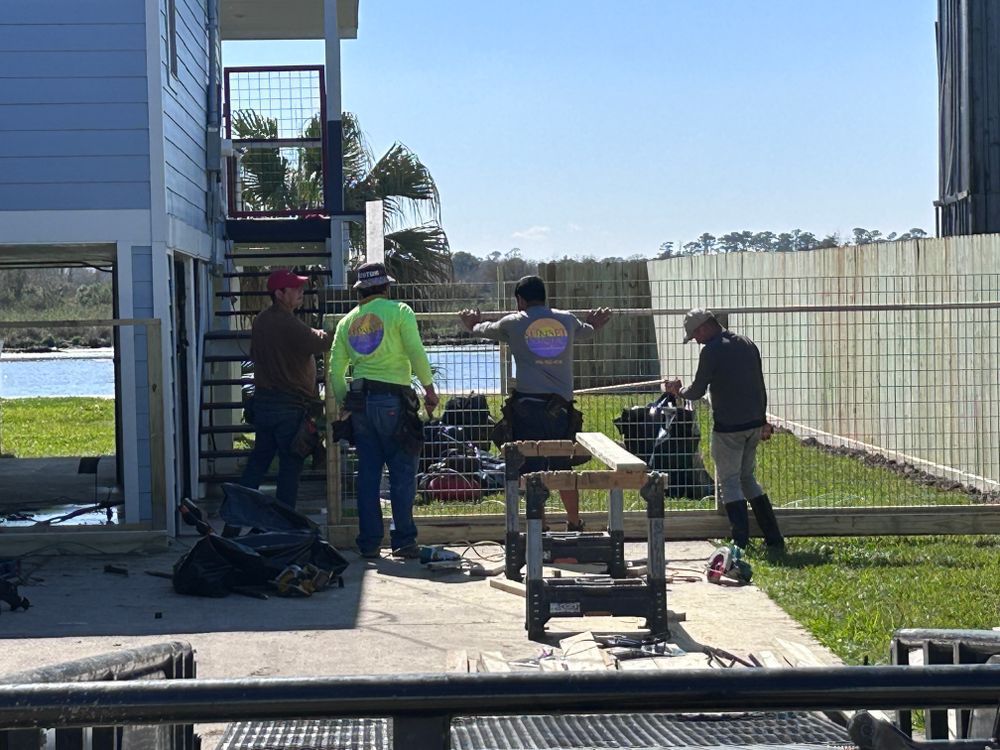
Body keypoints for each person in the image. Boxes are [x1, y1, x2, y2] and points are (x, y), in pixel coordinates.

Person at [459, 275, 611, 531]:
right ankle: (574, 522)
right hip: (561, 409)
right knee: (563, 467)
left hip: (528, 408)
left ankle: (538, 526)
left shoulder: (514, 323)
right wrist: (594, 323)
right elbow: (588, 331)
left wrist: (472, 323)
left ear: (520, 299)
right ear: (544, 296)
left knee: (531, 469)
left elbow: (484, 330)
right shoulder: (566, 319)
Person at [329, 262, 439, 560]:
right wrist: (429, 389)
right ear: (386, 288)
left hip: (361, 403)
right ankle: (403, 540)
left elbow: (335, 372)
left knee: (368, 474)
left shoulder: (346, 322)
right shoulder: (399, 311)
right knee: (402, 472)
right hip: (394, 401)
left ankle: (369, 543)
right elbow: (416, 350)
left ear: (360, 291)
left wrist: (344, 404)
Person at [663, 308, 784, 552]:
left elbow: (697, 391)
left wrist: (678, 391)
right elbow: (759, 385)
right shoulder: (746, 343)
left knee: (729, 482)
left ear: (705, 327)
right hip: (753, 425)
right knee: (748, 479)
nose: (696, 340)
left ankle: (739, 541)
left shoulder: (711, 351)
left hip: (729, 428)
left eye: (695, 335)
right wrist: (762, 420)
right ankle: (774, 538)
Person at [239, 268, 332, 510]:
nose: (301, 291)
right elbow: (320, 342)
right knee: (290, 468)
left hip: (264, 403)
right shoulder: (287, 322)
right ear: (279, 293)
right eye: (295, 288)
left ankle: (234, 521)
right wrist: (341, 329)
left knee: (258, 464)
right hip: (289, 407)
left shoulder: (261, 320)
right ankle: (284, 527)